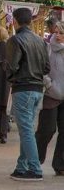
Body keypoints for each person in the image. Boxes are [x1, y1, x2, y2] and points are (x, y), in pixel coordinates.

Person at [5, 7, 50, 181]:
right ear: (30, 21)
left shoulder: (16, 40)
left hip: (23, 88)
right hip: (38, 89)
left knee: (26, 131)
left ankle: (35, 168)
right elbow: (47, 68)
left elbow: (12, 67)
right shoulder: (40, 41)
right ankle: (22, 166)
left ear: (15, 21)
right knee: (28, 129)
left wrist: (5, 67)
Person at [35, 21, 64, 175]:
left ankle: (60, 165)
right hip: (51, 95)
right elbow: (41, 68)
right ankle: (34, 160)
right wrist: (49, 85)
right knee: (47, 129)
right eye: (56, 32)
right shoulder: (48, 48)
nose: (57, 35)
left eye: (61, 33)